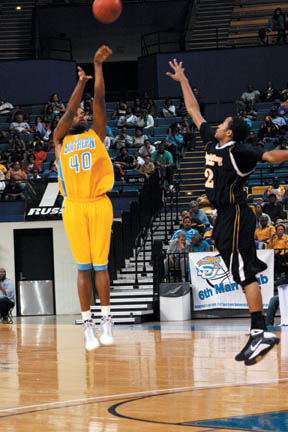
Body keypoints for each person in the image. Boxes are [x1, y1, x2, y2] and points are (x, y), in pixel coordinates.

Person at [165, 58, 288, 365]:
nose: (218, 124)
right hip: (223, 217)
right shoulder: (212, 142)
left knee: (244, 273)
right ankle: (259, 329)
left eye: (223, 124)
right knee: (238, 273)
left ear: (230, 133)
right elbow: (194, 112)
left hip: (236, 213)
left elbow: (271, 157)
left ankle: (260, 331)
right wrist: (182, 80)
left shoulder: (240, 152)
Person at [53, 45, 114, 351]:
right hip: (74, 206)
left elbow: (100, 100)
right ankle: (87, 324)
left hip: (99, 202)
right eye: (79, 111)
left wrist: (98, 68)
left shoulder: (96, 135)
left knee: (100, 266)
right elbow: (66, 112)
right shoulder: (60, 139)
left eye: (83, 112)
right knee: (83, 268)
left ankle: (106, 319)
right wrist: (80, 83)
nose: (82, 113)